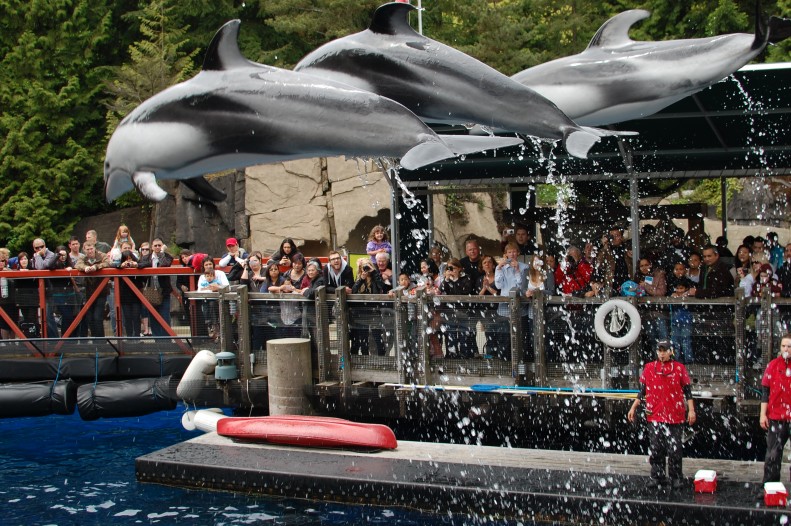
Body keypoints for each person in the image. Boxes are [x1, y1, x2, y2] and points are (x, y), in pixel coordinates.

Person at [628, 340, 696, 489]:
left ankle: (676, 477)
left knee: (675, 449)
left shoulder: (679, 368)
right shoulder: (649, 368)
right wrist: (633, 407)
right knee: (656, 448)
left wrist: (691, 410)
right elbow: (643, 391)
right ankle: (656, 476)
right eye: (659, 350)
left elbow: (687, 391)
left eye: (664, 350)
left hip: (675, 414)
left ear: (671, 351)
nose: (662, 353)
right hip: (655, 414)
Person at [760, 334, 791, 484]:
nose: (786, 349)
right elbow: (765, 391)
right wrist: (762, 415)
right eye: (784, 346)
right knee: (773, 454)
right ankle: (770, 486)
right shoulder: (773, 365)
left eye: (789, 346)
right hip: (776, 416)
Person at [495, 243, 529, 360]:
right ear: (505, 254)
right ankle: (505, 361)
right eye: (509, 252)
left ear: (518, 253)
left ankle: (521, 360)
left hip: (519, 305)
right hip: (505, 306)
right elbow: (498, 285)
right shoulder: (501, 267)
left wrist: (517, 270)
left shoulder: (524, 267)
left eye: (514, 252)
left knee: (520, 336)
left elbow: (522, 285)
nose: (512, 254)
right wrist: (499, 268)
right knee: (505, 336)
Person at [350, 257, 388, 355]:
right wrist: (361, 279)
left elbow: (382, 287)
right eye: (364, 266)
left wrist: (374, 272)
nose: (366, 268)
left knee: (377, 336)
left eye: (368, 266)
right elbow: (353, 291)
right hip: (361, 312)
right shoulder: (359, 277)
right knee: (363, 338)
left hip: (374, 311)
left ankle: (382, 358)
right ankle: (365, 359)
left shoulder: (376, 276)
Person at [138, 238, 174, 336]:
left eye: (159, 245)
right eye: (155, 245)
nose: (157, 247)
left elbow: (165, 264)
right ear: (152, 247)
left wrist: (161, 253)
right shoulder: (146, 258)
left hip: (164, 292)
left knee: (165, 316)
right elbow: (140, 265)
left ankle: (166, 342)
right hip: (151, 291)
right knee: (153, 317)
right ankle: (157, 341)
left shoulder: (167, 257)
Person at [75, 242, 109, 338]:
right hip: (88, 292)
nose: (90, 251)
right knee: (89, 318)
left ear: (94, 248)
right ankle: (95, 341)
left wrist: (96, 267)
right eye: (87, 249)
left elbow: (107, 263)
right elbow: (78, 264)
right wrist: (85, 268)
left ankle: (101, 341)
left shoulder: (102, 255)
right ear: (84, 250)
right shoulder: (83, 258)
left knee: (97, 317)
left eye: (91, 249)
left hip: (101, 291)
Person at [196, 256, 229, 340]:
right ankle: (211, 326)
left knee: (212, 305)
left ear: (213, 265)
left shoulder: (220, 273)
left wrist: (217, 288)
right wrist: (209, 289)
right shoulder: (202, 277)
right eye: (206, 264)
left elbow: (227, 287)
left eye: (210, 264)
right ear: (203, 266)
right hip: (206, 300)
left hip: (219, 300)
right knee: (207, 307)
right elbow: (199, 289)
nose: (208, 266)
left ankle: (216, 327)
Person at [670, 279, 694, 364]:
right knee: (675, 342)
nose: (679, 290)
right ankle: (675, 360)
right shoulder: (673, 296)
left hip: (686, 321)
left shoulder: (689, 296)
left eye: (681, 288)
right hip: (675, 322)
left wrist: (683, 296)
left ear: (686, 288)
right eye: (677, 288)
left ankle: (688, 361)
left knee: (686, 341)